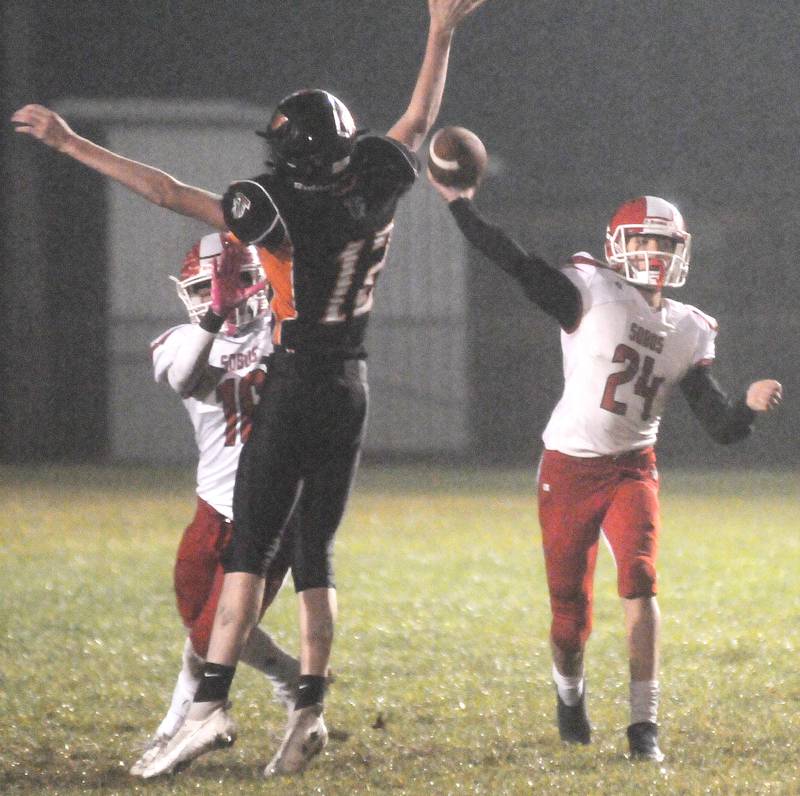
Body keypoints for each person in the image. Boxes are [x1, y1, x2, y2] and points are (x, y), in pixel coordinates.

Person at [13, 0, 488, 777]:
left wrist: (72, 146)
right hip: (352, 382)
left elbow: (166, 193)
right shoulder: (377, 182)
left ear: (294, 155)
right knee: (317, 558)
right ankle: (306, 711)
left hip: (299, 379)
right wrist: (441, 33)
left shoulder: (277, 207)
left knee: (248, 549)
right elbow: (414, 122)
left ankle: (206, 710)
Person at [427, 173, 783, 761]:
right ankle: (570, 695)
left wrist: (746, 405)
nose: (656, 256)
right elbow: (514, 261)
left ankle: (644, 727)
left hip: (632, 469)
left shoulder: (689, 328)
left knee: (640, 581)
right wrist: (461, 205)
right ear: (619, 246)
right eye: (644, 243)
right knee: (570, 617)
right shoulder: (589, 290)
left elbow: (719, 427)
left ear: (682, 251)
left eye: (666, 245)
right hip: (568, 468)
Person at [130, 231, 300, 777]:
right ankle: (291, 677)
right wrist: (214, 315)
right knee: (196, 623)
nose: (218, 295)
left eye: (235, 281)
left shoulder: (282, 332)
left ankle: (177, 727)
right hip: (211, 504)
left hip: (271, 512)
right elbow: (184, 378)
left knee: (209, 636)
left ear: (259, 281)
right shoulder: (183, 336)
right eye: (204, 287)